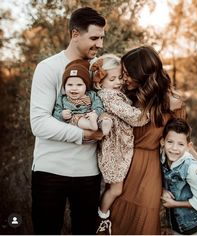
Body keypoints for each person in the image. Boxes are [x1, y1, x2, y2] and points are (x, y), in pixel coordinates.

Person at [110, 45, 197, 235]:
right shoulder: (125, 95)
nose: (125, 78)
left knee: (142, 222)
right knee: (116, 217)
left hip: (148, 171)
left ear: (144, 74)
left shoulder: (173, 104)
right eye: (124, 73)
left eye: (129, 74)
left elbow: (180, 141)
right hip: (121, 166)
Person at [30, 7, 106, 235]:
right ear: (75, 35)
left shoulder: (99, 70)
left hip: (88, 173)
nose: (100, 44)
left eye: (102, 38)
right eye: (94, 38)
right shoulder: (48, 68)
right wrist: (83, 135)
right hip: (50, 171)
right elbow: (39, 123)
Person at [90, 54, 150, 234]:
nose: (118, 82)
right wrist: (150, 109)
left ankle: (103, 213)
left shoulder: (115, 94)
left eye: (120, 78)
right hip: (114, 152)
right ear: (99, 82)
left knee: (113, 188)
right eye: (112, 79)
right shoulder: (109, 97)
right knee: (116, 190)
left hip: (117, 149)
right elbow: (135, 117)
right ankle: (102, 218)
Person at [160, 118, 197, 235]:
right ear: (162, 142)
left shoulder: (191, 167)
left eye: (180, 144)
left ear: (188, 146)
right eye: (170, 142)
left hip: (196, 227)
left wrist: (174, 204)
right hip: (177, 226)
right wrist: (162, 190)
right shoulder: (163, 158)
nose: (174, 148)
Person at [52, 59, 112, 134]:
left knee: (104, 115)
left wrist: (95, 113)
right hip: (78, 122)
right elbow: (56, 113)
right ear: (64, 86)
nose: (74, 88)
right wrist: (62, 114)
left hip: (92, 116)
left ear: (86, 86)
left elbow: (98, 105)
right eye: (70, 85)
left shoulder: (91, 95)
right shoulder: (62, 99)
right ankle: (90, 125)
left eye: (79, 85)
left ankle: (105, 124)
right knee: (75, 118)